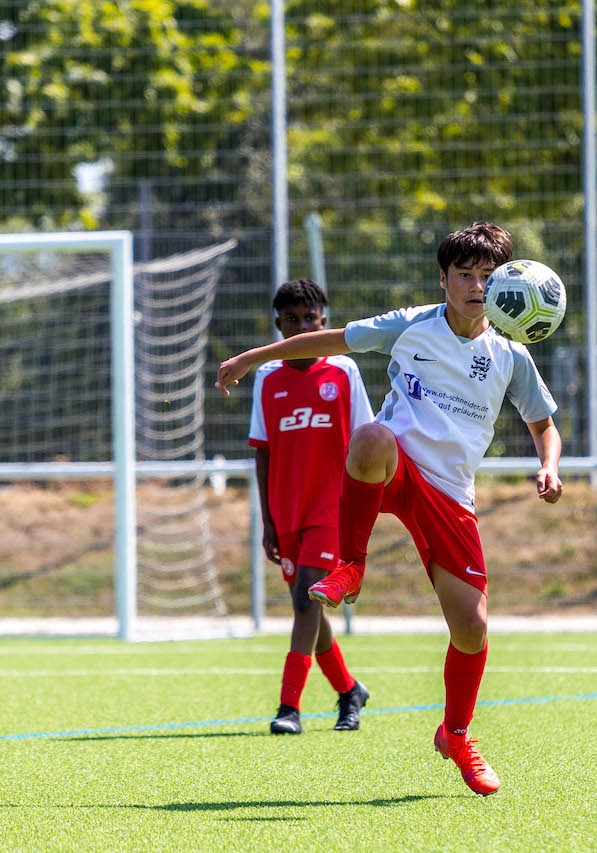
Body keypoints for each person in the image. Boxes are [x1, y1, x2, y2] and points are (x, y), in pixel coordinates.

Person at [217, 222, 563, 795]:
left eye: (487, 276)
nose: (476, 287)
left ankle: (456, 736)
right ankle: (351, 564)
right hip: (393, 468)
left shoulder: (510, 353)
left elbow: (544, 425)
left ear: (504, 283)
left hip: (449, 495)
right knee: (371, 435)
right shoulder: (411, 325)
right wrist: (254, 358)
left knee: (472, 629)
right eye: (464, 275)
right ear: (443, 279)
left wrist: (549, 466)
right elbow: (326, 342)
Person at [249, 278, 375, 735]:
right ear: (278, 325)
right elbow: (262, 452)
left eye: (310, 319)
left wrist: (364, 510)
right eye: (292, 320)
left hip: (331, 509)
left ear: (324, 322)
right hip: (286, 511)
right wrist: (267, 521)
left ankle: (289, 708)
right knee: (309, 609)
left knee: (307, 598)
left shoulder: (343, 371)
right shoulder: (266, 377)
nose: (302, 327)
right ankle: (349, 691)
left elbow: (366, 438)